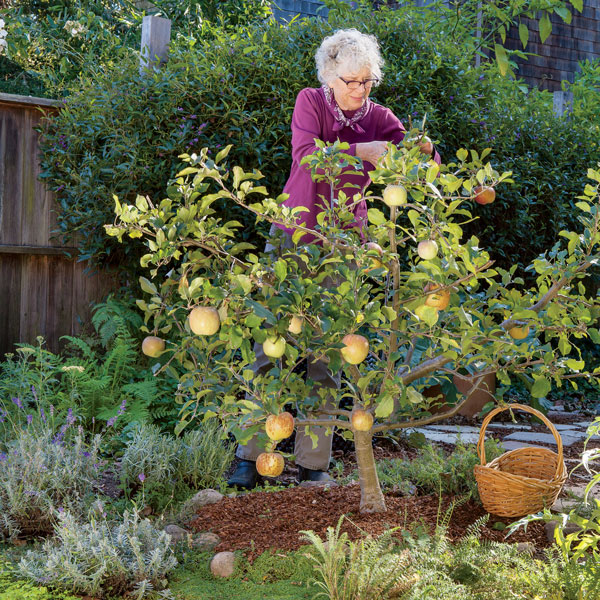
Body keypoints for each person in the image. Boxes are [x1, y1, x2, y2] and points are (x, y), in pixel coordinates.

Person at [228, 28, 439, 490]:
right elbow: (306, 157)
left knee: (326, 354)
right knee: (271, 346)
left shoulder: (381, 118)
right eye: (349, 80)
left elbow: (425, 165)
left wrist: (425, 151)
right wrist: (362, 151)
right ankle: (248, 454)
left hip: (345, 245)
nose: (357, 90)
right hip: (293, 235)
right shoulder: (310, 102)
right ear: (329, 74)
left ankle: (313, 464)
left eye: (365, 81)